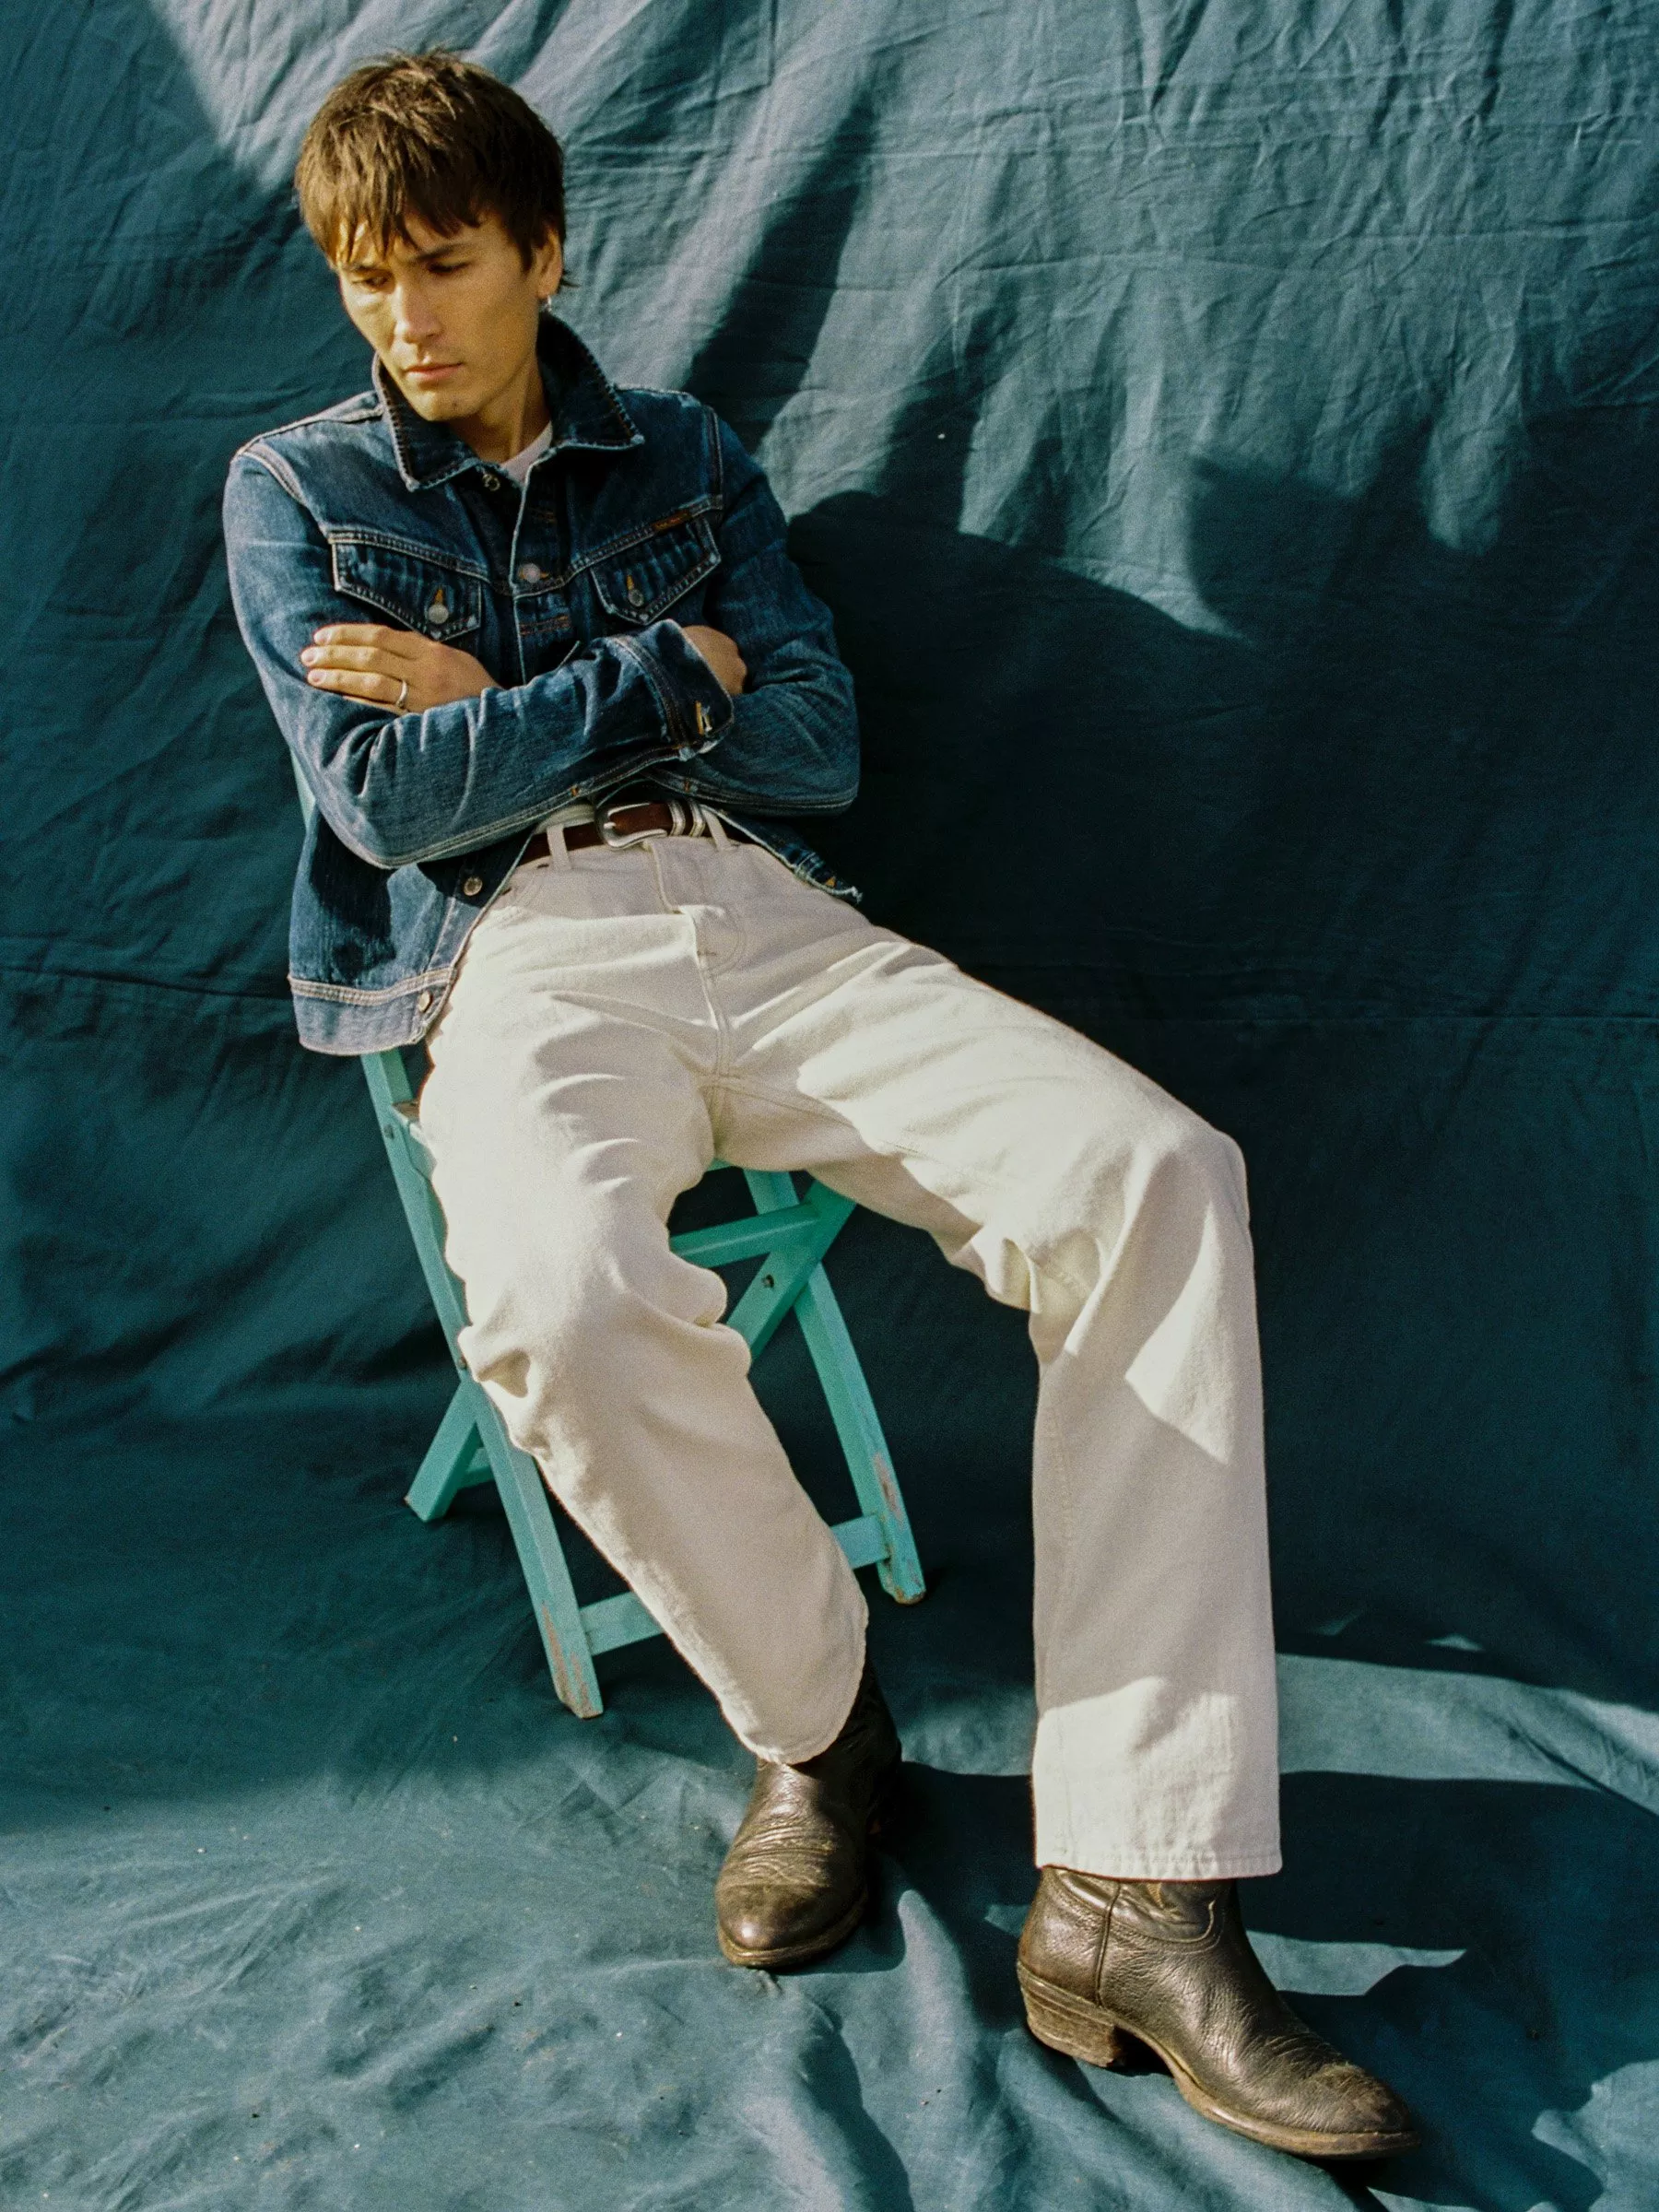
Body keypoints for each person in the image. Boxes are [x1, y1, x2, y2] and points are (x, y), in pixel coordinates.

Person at [223, 50, 1416, 2162]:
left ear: (546, 251)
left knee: (1155, 1173)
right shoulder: (301, 491)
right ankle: (823, 1732)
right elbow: (390, 802)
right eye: (366, 281)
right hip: (520, 960)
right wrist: (655, 672)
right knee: (562, 1296)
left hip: (766, 911)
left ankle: (1137, 1885)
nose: (406, 322)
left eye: (446, 267)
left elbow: (815, 750)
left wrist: (512, 701)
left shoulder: (676, 447)